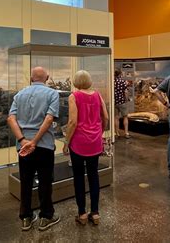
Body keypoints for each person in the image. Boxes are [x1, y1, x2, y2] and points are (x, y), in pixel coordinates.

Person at [7, 66, 61, 231]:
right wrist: (35, 141)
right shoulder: (52, 94)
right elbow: (49, 118)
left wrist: (23, 140)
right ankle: (46, 216)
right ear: (47, 77)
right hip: (44, 145)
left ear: (31, 79)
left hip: (23, 147)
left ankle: (26, 217)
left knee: (26, 181)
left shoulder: (19, 94)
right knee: (45, 181)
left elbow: (10, 118)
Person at [63, 70, 109, 225]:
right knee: (93, 176)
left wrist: (66, 142)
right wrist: (100, 131)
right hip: (95, 141)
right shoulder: (97, 95)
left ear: (75, 81)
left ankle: (82, 213)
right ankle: (95, 213)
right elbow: (106, 117)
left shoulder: (73, 96)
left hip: (78, 142)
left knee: (78, 177)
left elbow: (73, 122)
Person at [114, 69, 130, 138]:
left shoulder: (112, 82)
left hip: (114, 102)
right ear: (120, 74)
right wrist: (126, 100)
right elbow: (126, 92)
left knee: (116, 118)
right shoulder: (123, 82)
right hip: (122, 102)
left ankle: (117, 133)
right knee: (125, 117)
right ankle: (126, 133)